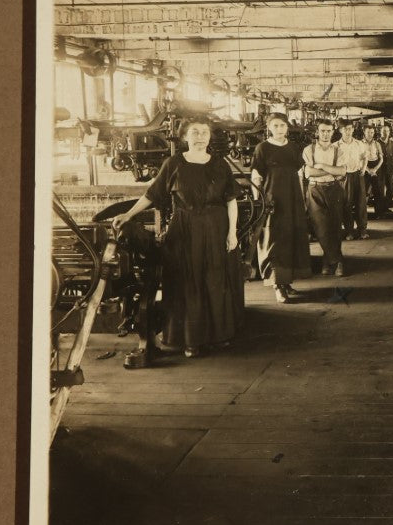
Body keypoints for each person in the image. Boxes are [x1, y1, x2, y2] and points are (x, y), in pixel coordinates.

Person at [110, 119, 239, 357]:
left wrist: (232, 233)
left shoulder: (220, 165)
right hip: (184, 228)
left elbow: (231, 202)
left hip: (216, 227)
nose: (200, 136)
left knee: (214, 279)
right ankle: (190, 340)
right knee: (187, 281)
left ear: (210, 137)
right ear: (184, 138)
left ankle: (216, 336)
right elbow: (152, 194)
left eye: (204, 132)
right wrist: (128, 214)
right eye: (195, 132)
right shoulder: (174, 164)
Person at [250, 113, 312, 303]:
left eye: (283, 126)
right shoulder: (263, 148)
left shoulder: (293, 148)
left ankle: (287, 281)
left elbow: (300, 174)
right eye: (275, 126)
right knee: (274, 241)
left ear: (287, 128)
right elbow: (256, 175)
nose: (279, 129)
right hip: (272, 200)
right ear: (269, 128)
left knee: (292, 238)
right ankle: (278, 285)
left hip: (293, 200)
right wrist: (259, 202)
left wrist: (303, 198)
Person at [302, 120, 347, 277]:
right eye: (323, 131)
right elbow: (309, 173)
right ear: (317, 132)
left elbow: (342, 172)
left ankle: (327, 261)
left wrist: (321, 166)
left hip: (334, 189)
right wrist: (331, 170)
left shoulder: (338, 150)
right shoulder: (309, 150)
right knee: (320, 227)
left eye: (329, 131)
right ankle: (337, 261)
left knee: (334, 226)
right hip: (315, 189)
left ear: (333, 132)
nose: (326, 134)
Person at [337, 121, 370, 239]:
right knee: (346, 204)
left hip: (357, 175)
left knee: (361, 203)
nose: (348, 131)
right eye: (345, 129)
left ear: (353, 130)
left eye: (350, 129)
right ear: (340, 130)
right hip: (343, 177)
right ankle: (349, 231)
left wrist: (364, 168)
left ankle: (363, 230)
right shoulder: (336, 146)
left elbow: (365, 157)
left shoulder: (359, 144)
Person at [363, 124, 388, 218]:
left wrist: (375, 169)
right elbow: (359, 159)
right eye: (368, 132)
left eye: (372, 132)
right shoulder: (360, 143)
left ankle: (379, 213)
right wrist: (368, 169)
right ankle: (363, 214)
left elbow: (381, 158)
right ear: (364, 133)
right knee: (364, 192)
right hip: (364, 167)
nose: (370, 134)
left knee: (378, 191)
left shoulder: (377, 144)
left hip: (376, 167)